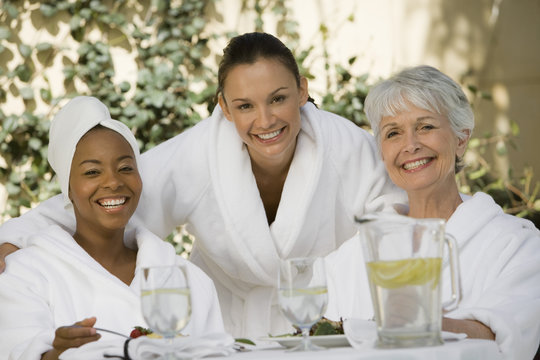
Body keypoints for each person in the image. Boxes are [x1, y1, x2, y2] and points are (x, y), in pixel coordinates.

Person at [0, 32, 403, 338]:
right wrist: (15, 237)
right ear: (224, 107)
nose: (265, 120)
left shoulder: (345, 146)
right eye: (245, 105)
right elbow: (112, 194)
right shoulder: (200, 154)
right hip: (223, 329)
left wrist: (343, 301)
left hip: (323, 320)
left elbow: (397, 224)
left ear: (302, 91)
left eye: (278, 98)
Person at [324, 65, 540, 359]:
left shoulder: (518, 245)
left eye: (425, 126)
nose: (410, 145)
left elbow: (506, 335)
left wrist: (423, 327)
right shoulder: (352, 255)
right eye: (393, 133)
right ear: (382, 151)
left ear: (461, 139)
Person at [0, 96, 225, 360]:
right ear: (68, 189)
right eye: (92, 172)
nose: (113, 182)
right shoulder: (25, 274)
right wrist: (53, 355)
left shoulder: (185, 278)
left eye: (125, 168)